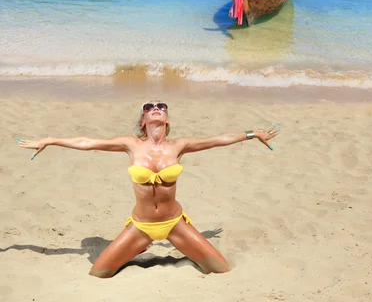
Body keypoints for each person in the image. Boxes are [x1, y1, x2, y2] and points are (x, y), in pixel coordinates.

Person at [18, 100, 280, 277]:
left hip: (174, 223)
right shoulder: (131, 144)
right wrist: (52, 140)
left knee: (220, 268)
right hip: (141, 225)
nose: (156, 108)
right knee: (99, 273)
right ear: (143, 120)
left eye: (161, 107)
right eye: (149, 107)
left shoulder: (179, 146)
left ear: (166, 119)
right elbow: (89, 142)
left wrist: (251, 134)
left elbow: (217, 140)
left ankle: (167, 247)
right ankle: (139, 247)